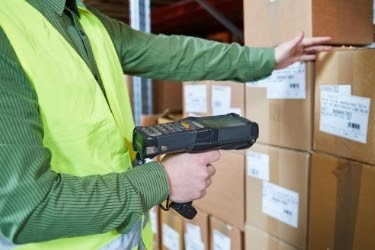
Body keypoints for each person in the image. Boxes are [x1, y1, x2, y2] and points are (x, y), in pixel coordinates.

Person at [0, 0, 331, 249]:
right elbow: (27, 208)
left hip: (124, 235)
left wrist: (267, 59)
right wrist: (164, 179)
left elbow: (173, 53)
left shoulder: (83, 21)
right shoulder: (7, 26)